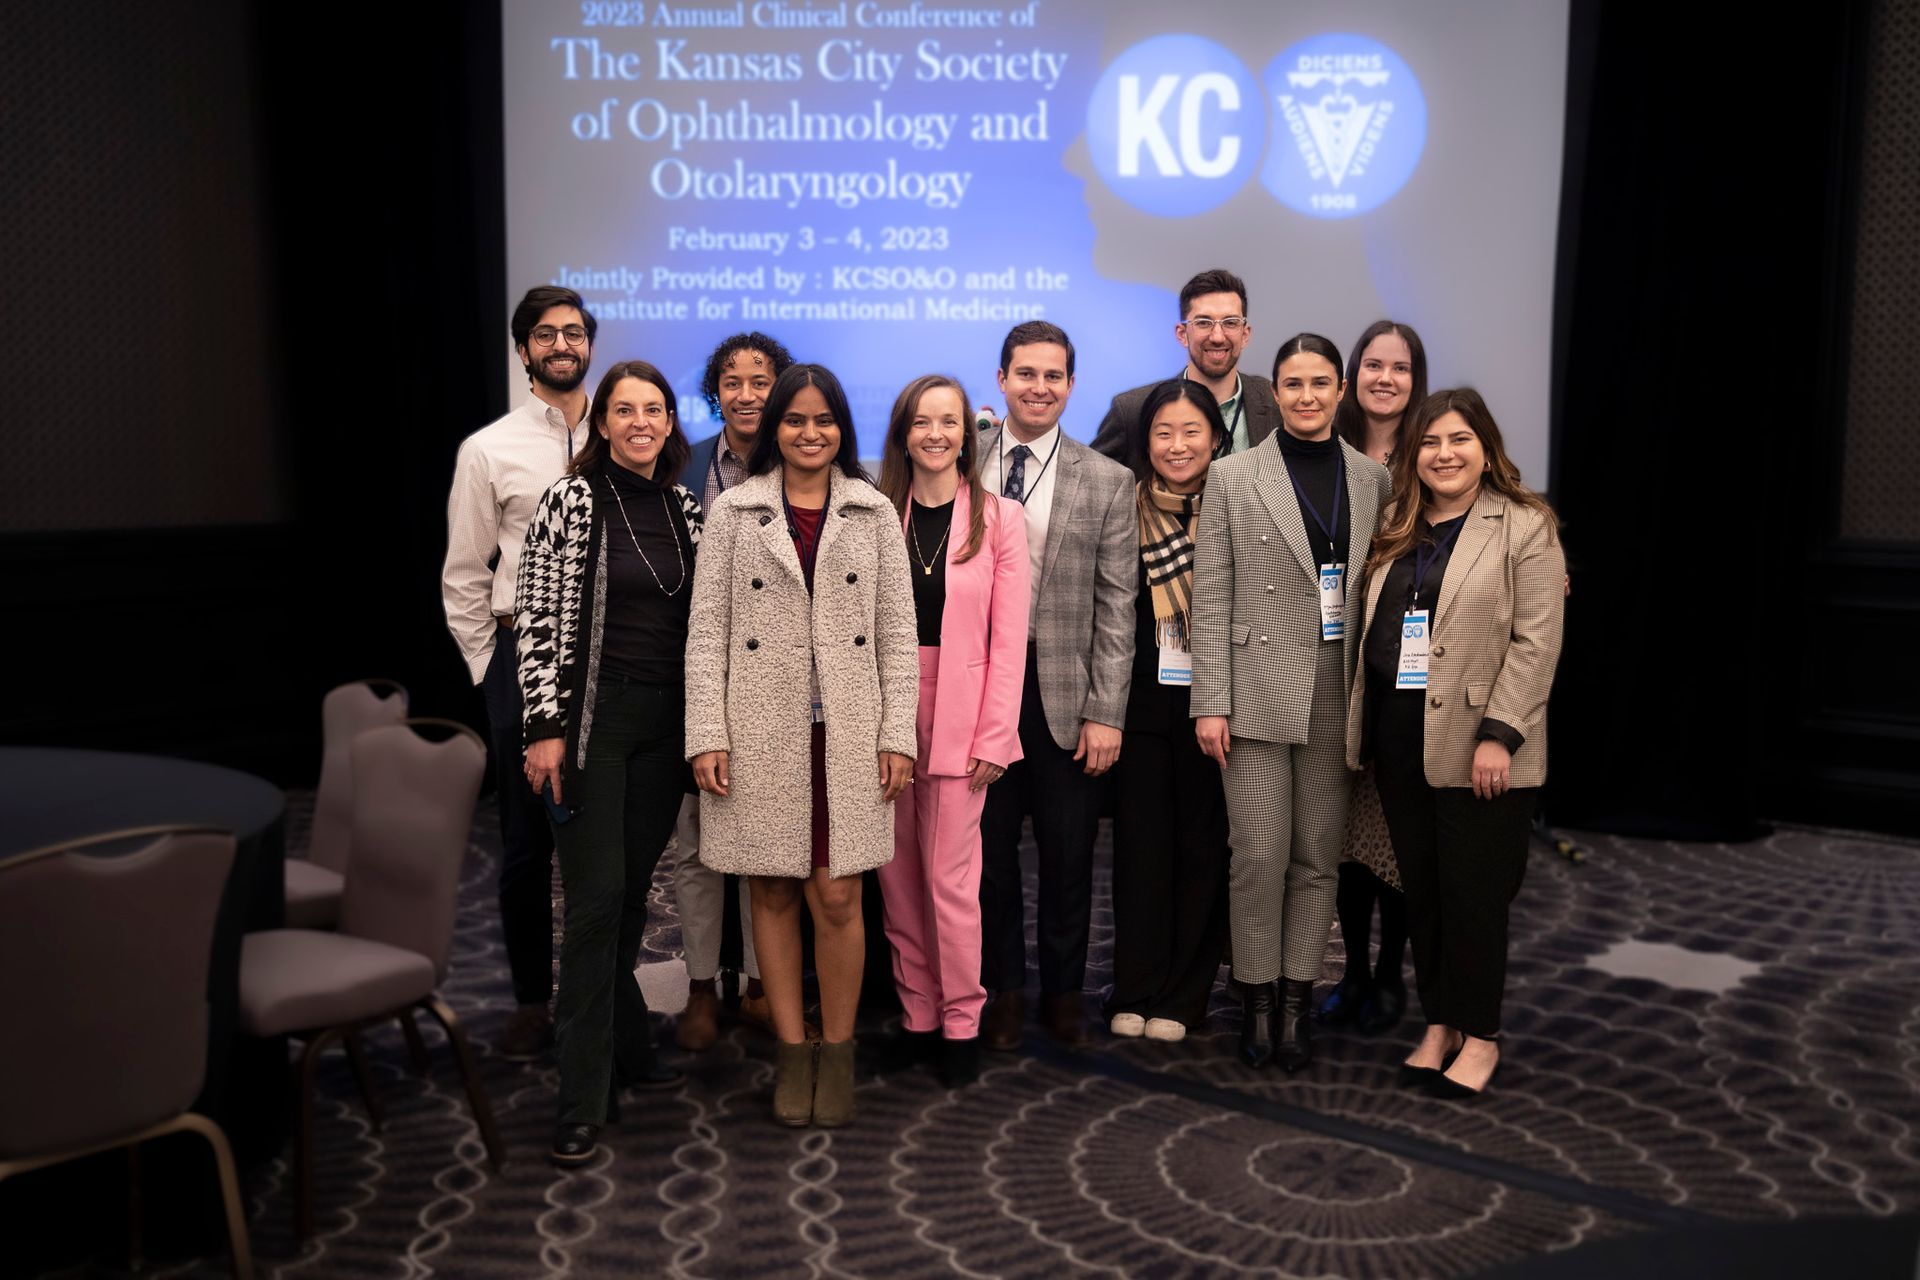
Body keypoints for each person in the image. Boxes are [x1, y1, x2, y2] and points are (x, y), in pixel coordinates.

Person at [684, 363, 919, 1127]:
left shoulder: (874, 510)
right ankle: (792, 1051)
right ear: (773, 428)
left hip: (849, 730)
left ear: (843, 428)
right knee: (774, 888)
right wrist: (706, 733)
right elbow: (706, 634)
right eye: (795, 420)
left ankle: (840, 1050)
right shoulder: (735, 512)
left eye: (824, 421)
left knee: (839, 892)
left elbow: (897, 638)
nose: (810, 433)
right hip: (759, 727)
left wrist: (897, 732)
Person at [1346, 388, 1565, 1098]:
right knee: (1426, 897)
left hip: (1482, 745)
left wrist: (1500, 735)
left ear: (1485, 447)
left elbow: (1537, 642)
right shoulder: (1396, 522)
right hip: (1400, 737)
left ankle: (1481, 1037)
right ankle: (1439, 1023)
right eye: (1431, 443)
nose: (1444, 454)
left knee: (1474, 896)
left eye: (1459, 440)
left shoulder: (1524, 524)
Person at [1190, 333, 1391, 1073]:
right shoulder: (1236, 475)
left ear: (1340, 390)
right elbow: (1209, 598)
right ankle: (1258, 997)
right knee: (1260, 855)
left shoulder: (1373, 478)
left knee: (1316, 861)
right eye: (1292, 384)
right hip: (1253, 692)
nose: (1306, 397)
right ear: (1274, 392)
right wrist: (1210, 702)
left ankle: (1298, 1000)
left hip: (1338, 690)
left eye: (1320, 383)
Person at [516, 360, 697, 1167]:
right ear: (604, 422)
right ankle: (581, 1096)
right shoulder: (571, 499)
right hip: (591, 727)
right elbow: (540, 619)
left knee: (628, 899)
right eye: (624, 410)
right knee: (592, 904)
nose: (639, 422)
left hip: (665, 728)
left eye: (652, 409)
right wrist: (543, 726)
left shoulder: (688, 510)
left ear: (669, 421)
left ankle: (624, 1043)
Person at [442, 285, 594, 1062]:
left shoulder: (631, 431)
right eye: (546, 334)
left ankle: (607, 1003)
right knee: (527, 844)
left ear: (589, 344)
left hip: (610, 663)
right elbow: (465, 574)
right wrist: (489, 672)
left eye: (573, 333)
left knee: (609, 843)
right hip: (518, 659)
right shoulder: (489, 449)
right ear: (523, 349)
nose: (561, 345)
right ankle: (534, 1001)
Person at [976, 321, 1138, 1050]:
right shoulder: (958, 457)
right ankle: (1004, 988)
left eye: (1053, 376)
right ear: (1001, 379)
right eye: (1026, 374)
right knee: (986, 854)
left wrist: (1107, 713)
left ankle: (1064, 993)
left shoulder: (1107, 479)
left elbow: (1116, 608)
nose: (1039, 387)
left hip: (1065, 697)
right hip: (979, 694)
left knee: (1070, 856)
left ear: (1071, 386)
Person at [874, 375, 1030, 1086]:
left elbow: (1010, 640)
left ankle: (963, 1022)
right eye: (921, 422)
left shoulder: (1000, 519)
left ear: (967, 433)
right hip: (886, 714)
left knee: (949, 883)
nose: (935, 434)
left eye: (949, 422)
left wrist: (996, 736)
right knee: (897, 880)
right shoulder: (877, 516)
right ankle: (918, 1017)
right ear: (903, 433)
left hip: (965, 719)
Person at [672, 331, 795, 1049]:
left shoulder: (803, 465)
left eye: (760, 380)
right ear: (713, 391)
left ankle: (757, 981)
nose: (746, 394)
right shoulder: (679, 465)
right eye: (732, 381)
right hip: (698, 673)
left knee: (767, 841)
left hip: (779, 685)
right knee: (693, 841)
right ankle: (697, 985)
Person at [1105, 380, 1231, 1042]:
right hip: (1142, 707)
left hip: (1217, 708)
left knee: (1203, 851)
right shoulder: (1122, 508)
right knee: (1140, 854)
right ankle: (1134, 985)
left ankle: (1184, 995)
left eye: (1190, 432)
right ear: (1144, 442)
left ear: (1215, 437)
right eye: (1162, 433)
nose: (1177, 446)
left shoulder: (1239, 509)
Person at [1320, 320, 1430, 1035]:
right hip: (1331, 667)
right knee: (1343, 838)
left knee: (1396, 833)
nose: (1384, 377)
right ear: (1353, 373)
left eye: (1399, 366)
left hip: (1404, 673)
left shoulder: (1436, 448)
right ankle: (1352, 970)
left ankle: (1391, 973)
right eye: (1372, 364)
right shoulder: (1325, 447)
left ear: (1416, 378)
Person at [1089, 269, 1279, 462]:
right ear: (1182, 334)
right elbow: (1091, 481)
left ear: (1245, 334)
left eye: (1230, 322)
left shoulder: (1277, 403)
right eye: (1204, 323)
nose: (1217, 337)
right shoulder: (1132, 411)